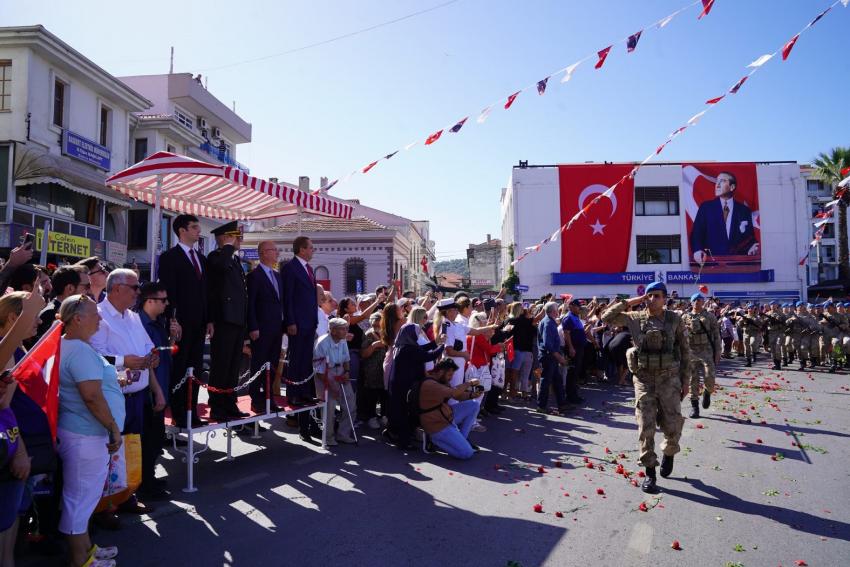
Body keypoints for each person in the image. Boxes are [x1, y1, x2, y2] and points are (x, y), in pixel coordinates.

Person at [89, 269, 164, 523]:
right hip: (113, 396)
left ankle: (126, 495)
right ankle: (105, 506)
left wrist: (152, 356)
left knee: (131, 449)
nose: (138, 293)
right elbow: (93, 354)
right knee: (110, 452)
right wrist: (124, 361)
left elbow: (146, 346)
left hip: (137, 395)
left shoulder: (132, 316)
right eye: (134, 287)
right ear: (117, 288)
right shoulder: (98, 316)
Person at [56, 294, 125, 567]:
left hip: (82, 434)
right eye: (95, 314)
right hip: (86, 436)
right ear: (77, 319)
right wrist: (112, 428)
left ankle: (87, 550)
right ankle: (80, 560)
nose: (100, 319)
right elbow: (92, 396)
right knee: (79, 499)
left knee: (83, 498)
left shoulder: (72, 346)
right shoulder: (79, 349)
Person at [601, 281, 689, 494]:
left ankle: (669, 451)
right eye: (649, 296)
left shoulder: (674, 319)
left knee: (672, 423)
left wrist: (686, 381)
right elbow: (606, 317)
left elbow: (685, 351)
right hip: (644, 379)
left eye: (657, 295)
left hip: (669, 379)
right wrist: (632, 301)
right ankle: (650, 472)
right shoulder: (635, 318)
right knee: (645, 424)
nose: (653, 299)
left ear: (665, 298)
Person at [0, 287, 46, 567]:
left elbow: (6, 409)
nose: (38, 322)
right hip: (7, 451)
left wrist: (19, 449)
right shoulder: (6, 351)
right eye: (34, 318)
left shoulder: (16, 350)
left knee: (9, 517)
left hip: (9, 445)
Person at [157, 214, 210, 428]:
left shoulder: (201, 258)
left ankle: (192, 412)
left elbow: (206, 293)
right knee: (180, 369)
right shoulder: (170, 257)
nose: (199, 230)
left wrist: (209, 320)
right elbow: (169, 292)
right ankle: (179, 413)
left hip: (199, 324)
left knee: (195, 369)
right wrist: (172, 320)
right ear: (182, 231)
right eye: (194, 227)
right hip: (180, 325)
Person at [136, 282, 180, 499]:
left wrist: (172, 337)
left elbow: (165, 355)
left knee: (155, 439)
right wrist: (157, 391)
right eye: (163, 300)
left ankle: (149, 479)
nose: (167, 304)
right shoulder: (139, 324)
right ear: (149, 301)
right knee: (148, 440)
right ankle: (144, 484)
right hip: (148, 392)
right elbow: (147, 361)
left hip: (162, 385)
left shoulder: (159, 322)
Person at [205, 222, 248, 421]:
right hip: (223, 319)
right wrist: (228, 247)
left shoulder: (235, 260)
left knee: (233, 367)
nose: (240, 240)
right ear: (225, 237)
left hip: (237, 320)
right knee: (221, 366)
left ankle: (230, 404)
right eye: (236, 236)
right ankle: (217, 406)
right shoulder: (216, 257)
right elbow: (220, 268)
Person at [281, 236, 320, 441]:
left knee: (306, 360)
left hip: (309, 322)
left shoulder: (309, 269)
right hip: (297, 322)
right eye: (311, 248)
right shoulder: (290, 268)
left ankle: (304, 391)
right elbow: (287, 297)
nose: (313, 251)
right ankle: (293, 393)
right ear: (302, 249)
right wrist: (290, 322)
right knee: (295, 359)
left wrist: (314, 321)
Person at [385, 322, 444, 450]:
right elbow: (428, 356)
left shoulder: (403, 345)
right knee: (405, 413)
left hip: (399, 385)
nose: (418, 334)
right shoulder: (408, 349)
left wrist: (435, 343)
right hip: (404, 386)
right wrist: (443, 346)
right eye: (416, 333)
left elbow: (422, 350)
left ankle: (394, 434)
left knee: (399, 411)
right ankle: (404, 442)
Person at [419, 358, 485, 459]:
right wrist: (469, 383)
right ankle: (433, 440)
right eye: (449, 375)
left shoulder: (440, 379)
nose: (451, 378)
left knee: (474, 404)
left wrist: (472, 395)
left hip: (444, 416)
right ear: (441, 372)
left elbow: (456, 396)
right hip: (436, 425)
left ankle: (461, 440)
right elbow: (454, 392)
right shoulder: (430, 384)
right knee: (467, 453)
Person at [246, 241, 284, 412]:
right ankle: (256, 399)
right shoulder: (254, 276)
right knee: (259, 365)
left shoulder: (277, 276)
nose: (277, 253)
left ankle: (269, 399)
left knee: (273, 364)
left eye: (277, 250)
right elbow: (251, 304)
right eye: (273, 250)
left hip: (276, 329)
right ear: (262, 253)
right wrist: (253, 326)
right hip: (261, 329)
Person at [690, 171, 758, 264]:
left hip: (737, 265)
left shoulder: (744, 210)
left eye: (722, 181)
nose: (717, 185)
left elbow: (749, 238)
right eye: (717, 181)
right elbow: (696, 233)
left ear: (732, 187)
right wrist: (697, 250)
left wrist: (751, 247)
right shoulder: (706, 208)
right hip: (711, 264)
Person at [312, 318, 355, 446]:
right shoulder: (321, 343)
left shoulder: (342, 341)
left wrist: (347, 372)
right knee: (329, 407)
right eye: (343, 328)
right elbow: (319, 371)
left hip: (340, 370)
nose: (346, 331)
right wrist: (332, 388)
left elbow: (346, 358)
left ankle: (343, 434)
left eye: (346, 328)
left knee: (350, 404)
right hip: (325, 374)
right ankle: (328, 437)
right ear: (333, 330)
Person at [681, 293, 720, 418]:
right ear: (691, 302)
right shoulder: (685, 316)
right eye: (695, 300)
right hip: (691, 352)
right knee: (693, 380)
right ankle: (695, 407)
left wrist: (718, 351)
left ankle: (707, 392)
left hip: (706, 351)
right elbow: (680, 335)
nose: (697, 302)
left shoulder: (709, 316)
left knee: (710, 376)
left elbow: (716, 335)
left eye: (699, 300)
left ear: (703, 302)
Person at [37, 266, 90, 339]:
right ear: (70, 288)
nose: (89, 290)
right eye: (87, 286)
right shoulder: (49, 314)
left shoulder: (71, 311)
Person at [536, 302, 569, 414]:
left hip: (551, 356)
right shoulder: (548, 323)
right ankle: (541, 406)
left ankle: (562, 404)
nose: (558, 311)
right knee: (546, 381)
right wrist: (559, 356)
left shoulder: (549, 321)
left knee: (557, 381)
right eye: (557, 309)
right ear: (554, 311)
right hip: (549, 356)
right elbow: (547, 344)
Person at [358, 312, 387, 429]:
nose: (376, 325)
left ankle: (384, 416)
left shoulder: (386, 333)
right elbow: (364, 353)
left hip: (384, 370)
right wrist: (374, 345)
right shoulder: (368, 335)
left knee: (384, 394)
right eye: (374, 323)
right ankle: (371, 417)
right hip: (372, 371)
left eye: (379, 323)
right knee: (372, 395)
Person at [560, 299, 587, 405]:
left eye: (579, 306)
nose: (579, 308)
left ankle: (574, 395)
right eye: (577, 306)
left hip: (579, 347)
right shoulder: (568, 317)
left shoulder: (576, 317)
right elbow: (566, 333)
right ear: (571, 306)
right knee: (572, 372)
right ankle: (570, 396)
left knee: (576, 373)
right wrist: (571, 347)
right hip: (574, 348)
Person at [763, 301, 788, 371]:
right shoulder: (767, 314)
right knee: (773, 349)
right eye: (771, 305)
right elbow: (763, 323)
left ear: (777, 305)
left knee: (777, 347)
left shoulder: (781, 314)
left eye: (774, 305)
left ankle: (779, 363)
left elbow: (785, 323)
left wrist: (779, 323)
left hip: (779, 332)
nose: (773, 306)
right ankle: (775, 363)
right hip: (771, 333)